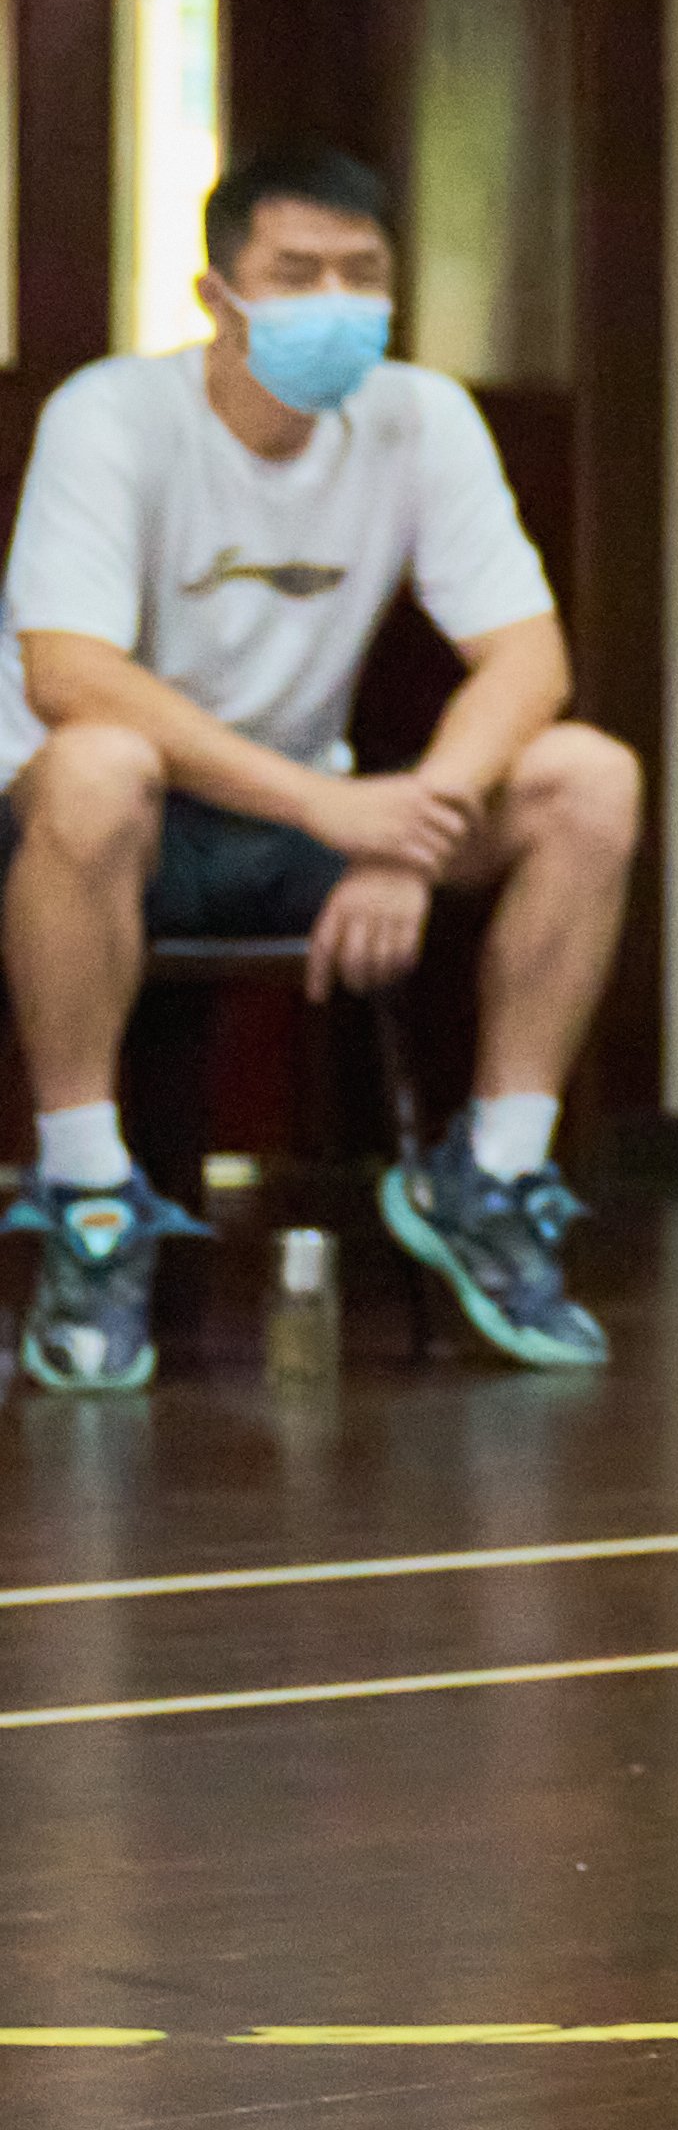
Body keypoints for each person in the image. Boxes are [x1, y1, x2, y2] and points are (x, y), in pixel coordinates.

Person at [2, 146, 640, 1387]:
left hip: (318, 817)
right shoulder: (112, 413)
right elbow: (68, 674)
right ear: (215, 293)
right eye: (295, 273)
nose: (333, 301)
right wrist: (334, 808)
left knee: (588, 777)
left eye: (363, 274)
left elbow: (527, 660)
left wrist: (411, 826)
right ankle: (88, 1202)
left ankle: (493, 1176)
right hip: (108, 833)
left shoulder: (421, 415)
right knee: (98, 763)